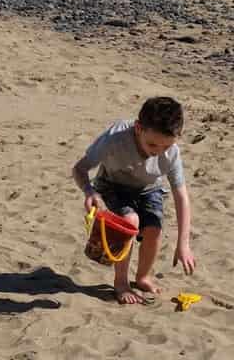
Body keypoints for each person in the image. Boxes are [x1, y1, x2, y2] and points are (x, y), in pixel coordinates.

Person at [70, 96, 195, 305]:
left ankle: (143, 277)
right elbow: (79, 169)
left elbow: (181, 196)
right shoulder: (116, 137)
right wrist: (89, 192)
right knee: (131, 221)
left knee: (153, 230)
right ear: (138, 128)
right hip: (112, 184)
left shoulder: (171, 153)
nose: (158, 151)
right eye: (152, 144)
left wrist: (183, 244)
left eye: (166, 146)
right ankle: (121, 283)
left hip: (149, 188)